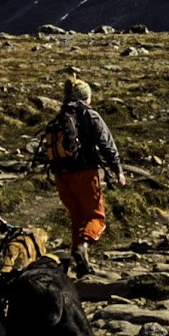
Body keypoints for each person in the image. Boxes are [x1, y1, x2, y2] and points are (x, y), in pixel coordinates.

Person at [38, 76, 124, 270]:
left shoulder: (61, 116)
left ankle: (78, 264)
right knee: (96, 217)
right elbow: (106, 143)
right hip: (84, 173)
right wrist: (117, 170)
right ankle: (83, 247)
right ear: (86, 97)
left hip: (61, 175)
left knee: (78, 217)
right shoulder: (88, 114)